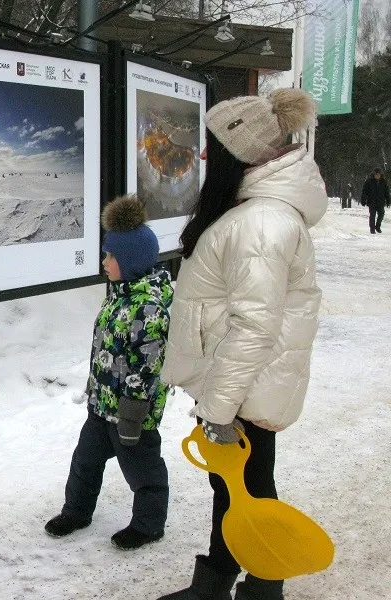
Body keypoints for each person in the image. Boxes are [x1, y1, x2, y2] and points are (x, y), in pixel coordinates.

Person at [156, 89, 327, 600]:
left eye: (212, 144)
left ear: (241, 150)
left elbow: (255, 326)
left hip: (244, 390)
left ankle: (262, 586)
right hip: (241, 385)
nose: (204, 155)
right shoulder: (255, 210)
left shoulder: (261, 222)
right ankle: (221, 580)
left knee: (248, 489)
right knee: (234, 487)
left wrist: (220, 410)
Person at [44, 194, 172, 551]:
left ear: (128, 261)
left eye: (109, 256)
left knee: (143, 473)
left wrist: (132, 415)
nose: (104, 261)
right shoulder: (120, 295)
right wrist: (94, 390)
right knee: (85, 461)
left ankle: (149, 525)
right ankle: (77, 511)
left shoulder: (148, 308)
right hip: (102, 406)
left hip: (132, 414)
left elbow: (148, 368)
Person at [360, 167, 390, 233]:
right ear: (374, 174)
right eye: (376, 174)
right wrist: (363, 200)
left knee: (381, 214)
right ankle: (372, 229)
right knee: (372, 215)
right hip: (371, 201)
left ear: (381, 174)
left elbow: (387, 192)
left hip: (381, 202)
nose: (377, 175)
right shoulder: (369, 182)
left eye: (379, 174)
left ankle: (377, 226)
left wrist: (388, 200)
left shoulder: (384, 182)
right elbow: (364, 191)